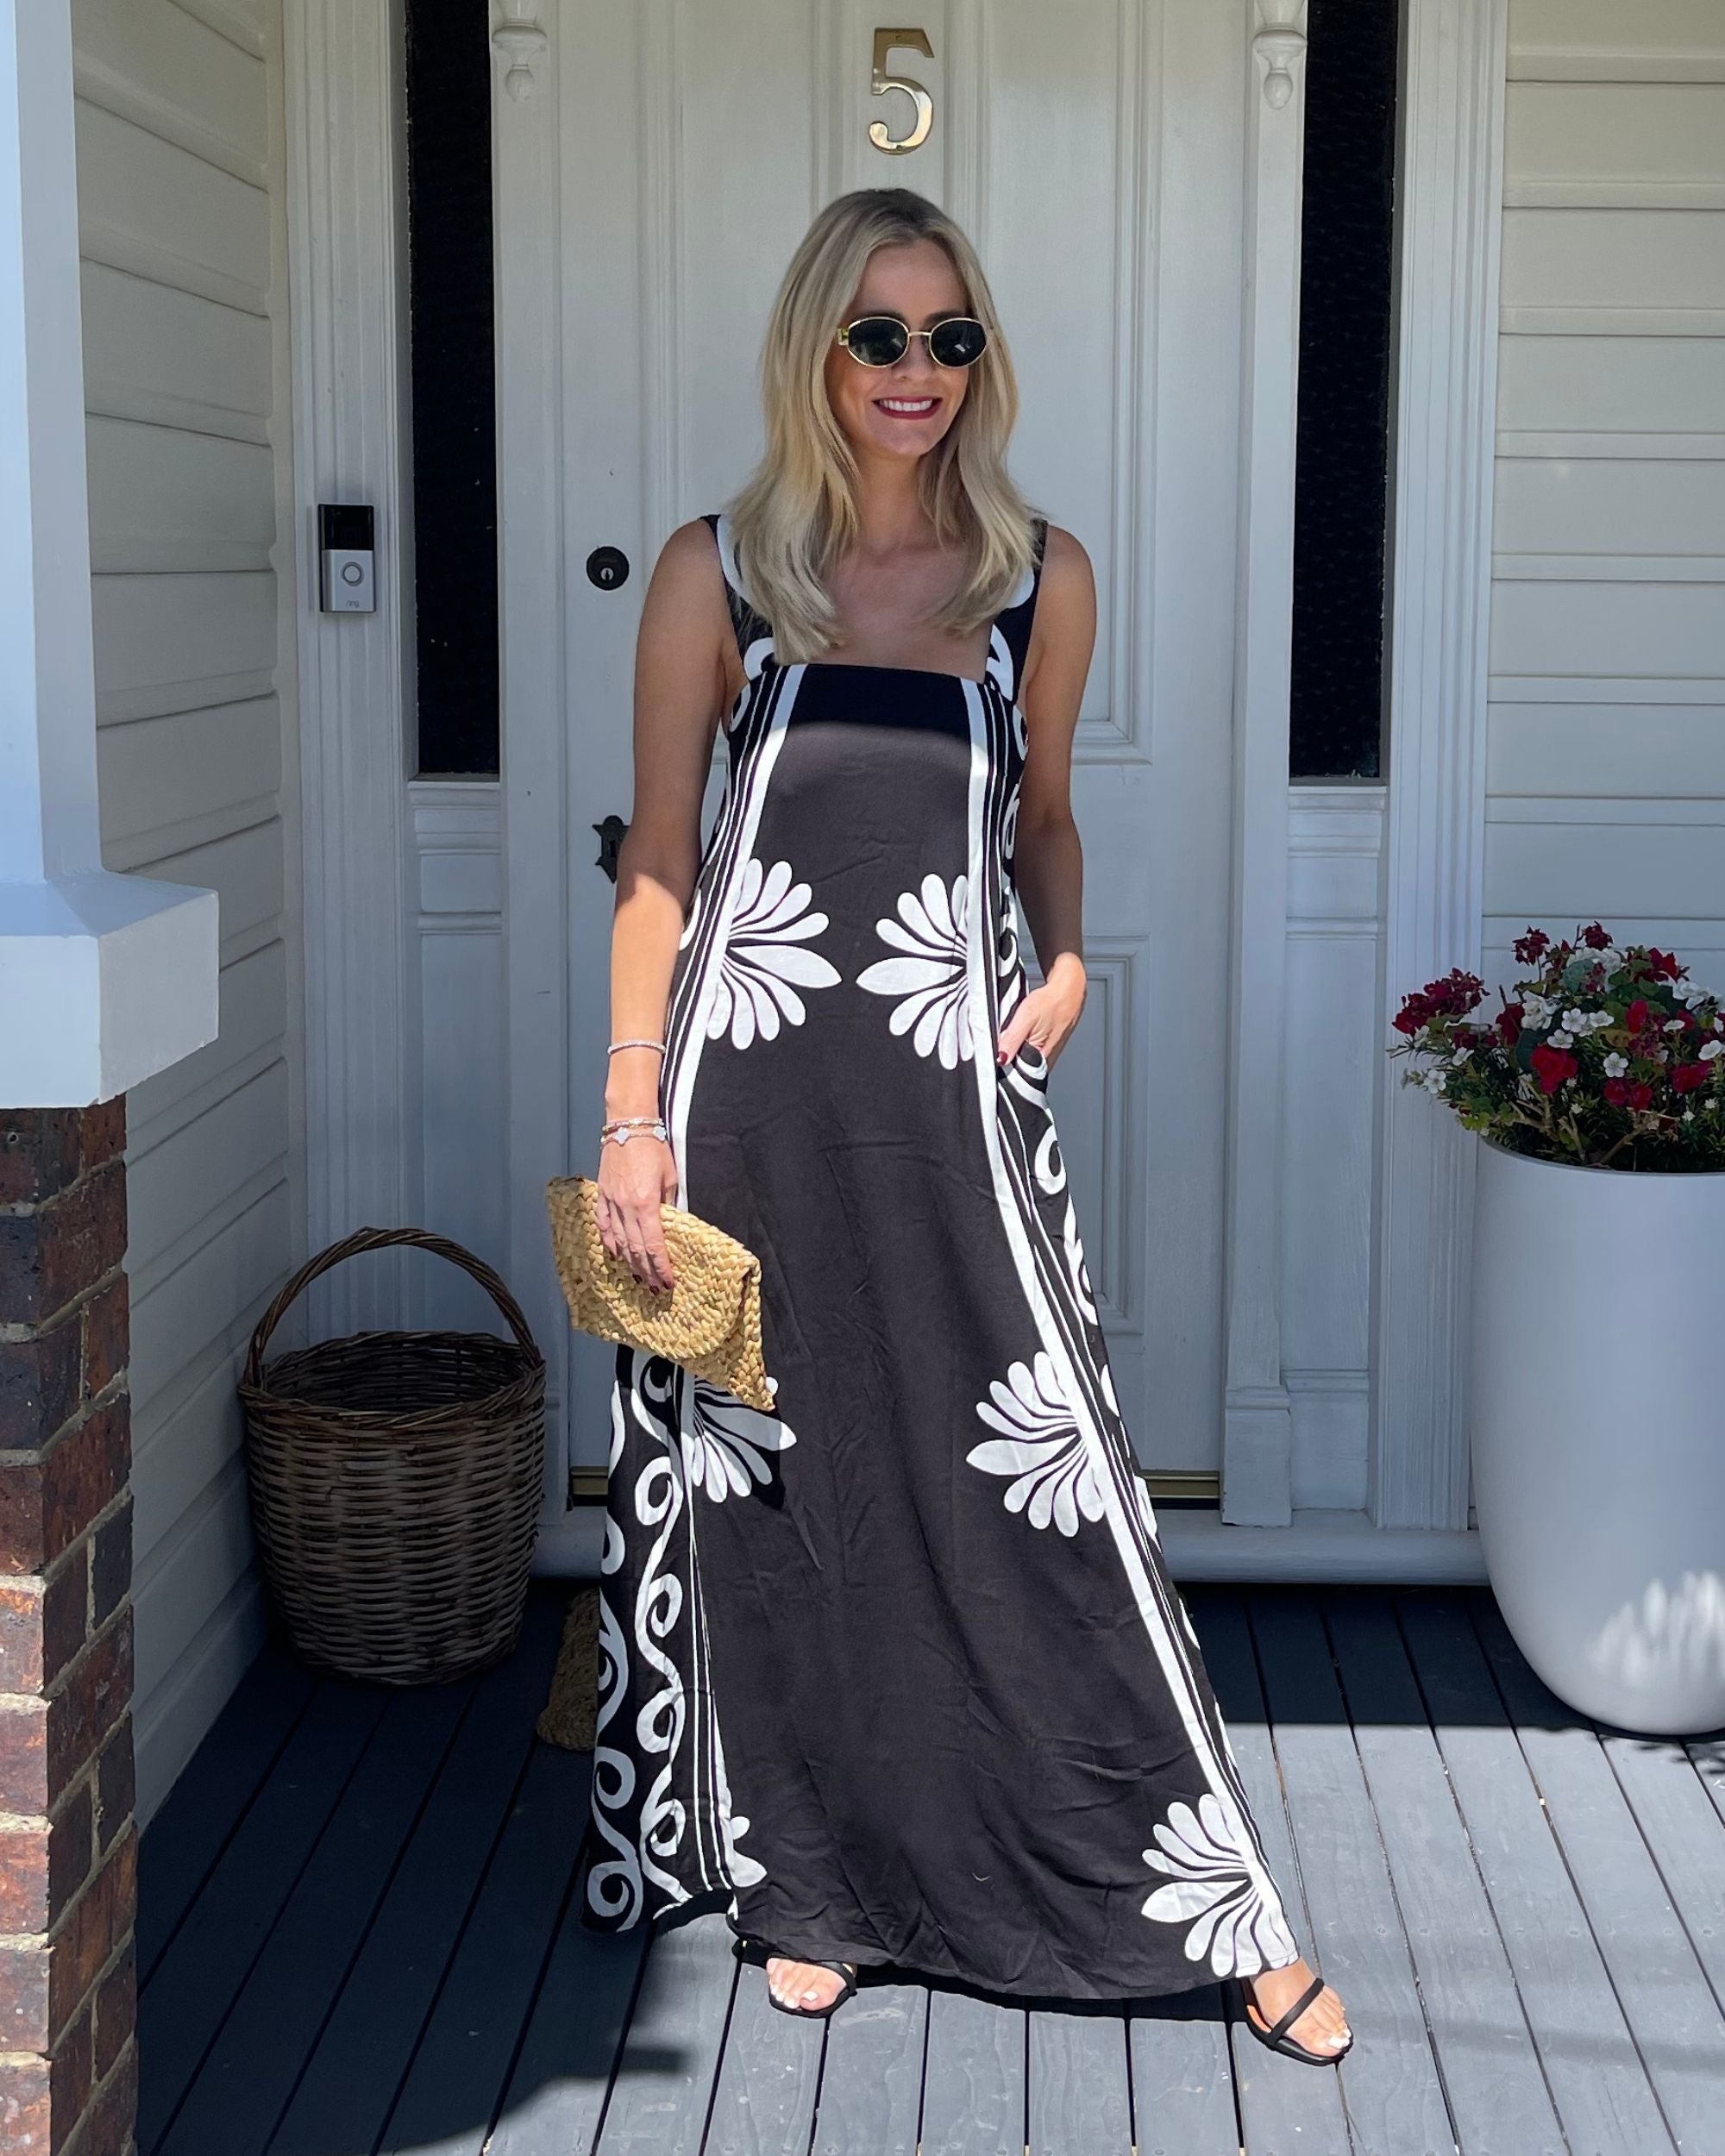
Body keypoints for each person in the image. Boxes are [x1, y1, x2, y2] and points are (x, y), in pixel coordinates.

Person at [584, 185, 1351, 2065]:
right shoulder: (718, 573)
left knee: (1044, 1472)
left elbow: (1044, 817)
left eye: (948, 336)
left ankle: (1217, 1902)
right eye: (878, 334)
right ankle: (815, 1882)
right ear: (815, 351)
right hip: (747, 1092)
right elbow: (662, 853)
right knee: (785, 1484)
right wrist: (629, 1111)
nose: (914, 370)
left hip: (954, 1090)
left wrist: (1068, 957)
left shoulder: (1037, 576)